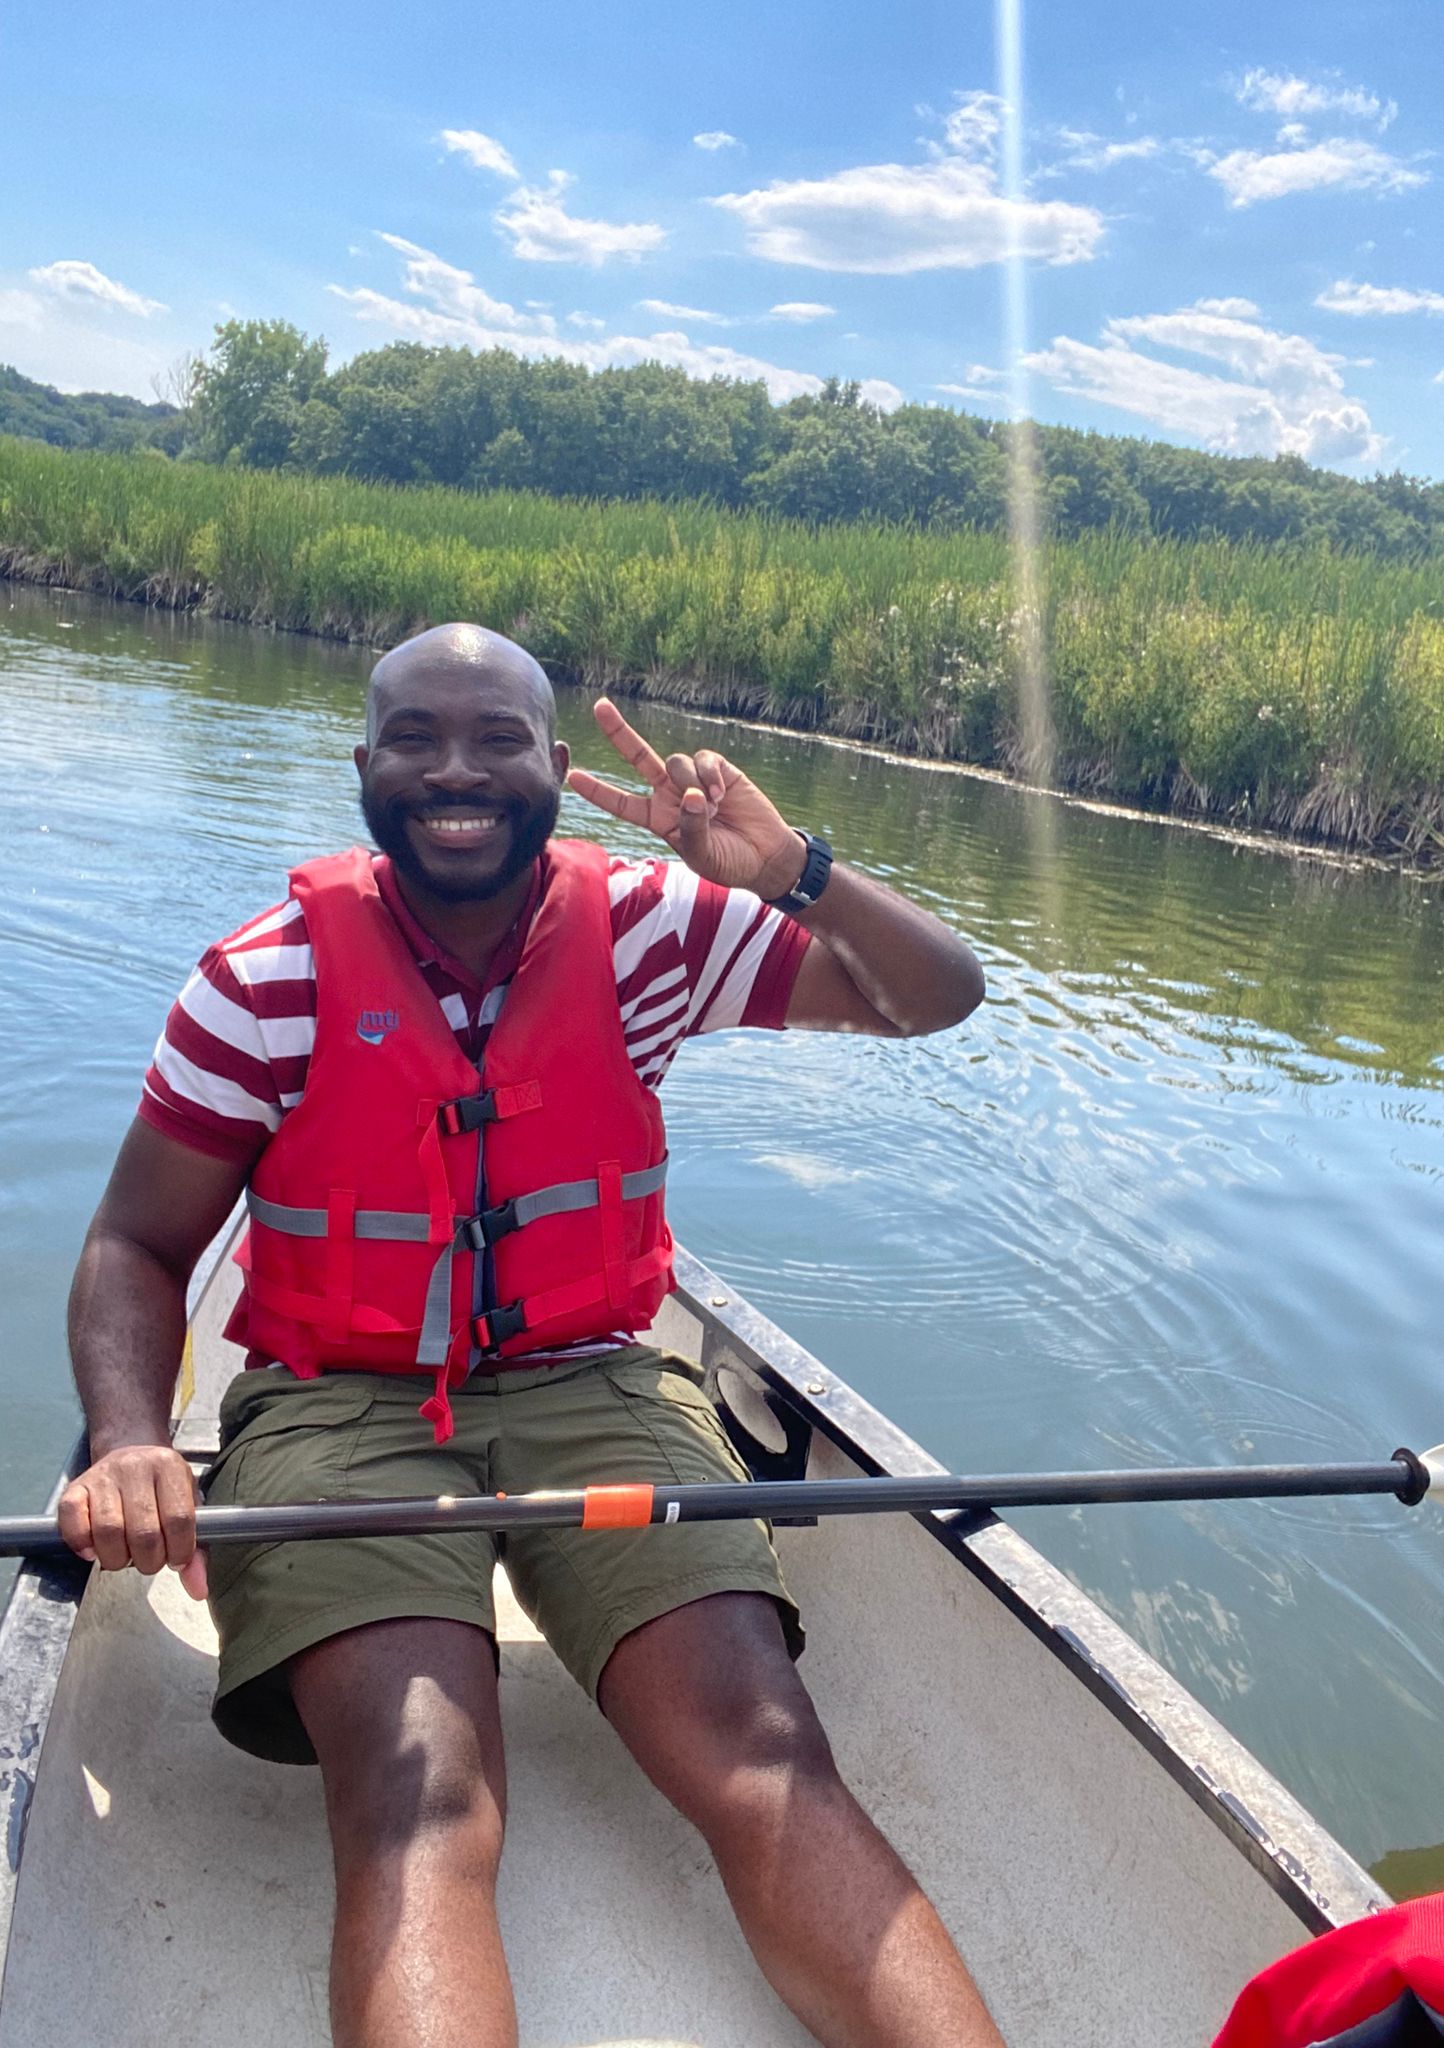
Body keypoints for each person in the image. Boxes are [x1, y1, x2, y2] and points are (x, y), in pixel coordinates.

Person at [58, 622, 1000, 2048]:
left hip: (597, 1380)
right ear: (364, 767)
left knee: (769, 1753)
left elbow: (939, 995)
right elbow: (134, 1247)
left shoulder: (650, 930)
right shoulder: (263, 980)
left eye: (498, 739)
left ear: (555, 769)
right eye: (418, 737)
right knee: (421, 1789)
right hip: (342, 1405)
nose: (458, 770)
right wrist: (132, 1438)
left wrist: (794, 870)